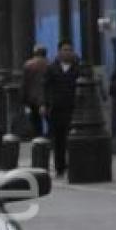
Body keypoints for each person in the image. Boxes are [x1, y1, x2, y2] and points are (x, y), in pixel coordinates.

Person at [43, 39, 80, 177]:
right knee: (59, 140)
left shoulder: (77, 68)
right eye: (64, 50)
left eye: (70, 50)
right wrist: (45, 104)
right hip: (57, 109)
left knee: (72, 138)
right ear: (59, 52)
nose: (67, 52)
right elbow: (46, 87)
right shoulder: (52, 68)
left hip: (73, 108)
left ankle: (73, 164)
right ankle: (60, 166)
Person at [22, 45, 49, 138]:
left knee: (36, 122)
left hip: (32, 98)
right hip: (47, 97)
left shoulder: (28, 65)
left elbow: (25, 84)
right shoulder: (49, 65)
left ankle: (38, 140)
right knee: (50, 121)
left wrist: (24, 101)